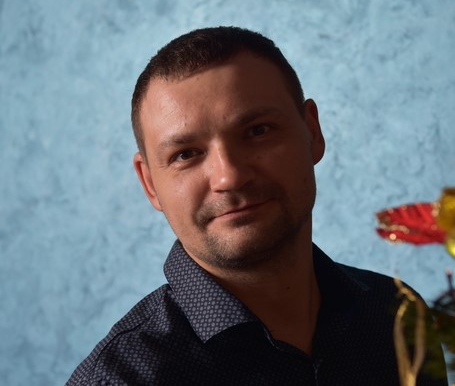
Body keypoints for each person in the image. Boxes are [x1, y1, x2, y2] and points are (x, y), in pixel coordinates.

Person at [67, 27, 447, 385]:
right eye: (186, 154)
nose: (229, 177)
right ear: (150, 183)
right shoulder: (121, 379)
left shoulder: (398, 316)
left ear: (312, 133)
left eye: (257, 131)